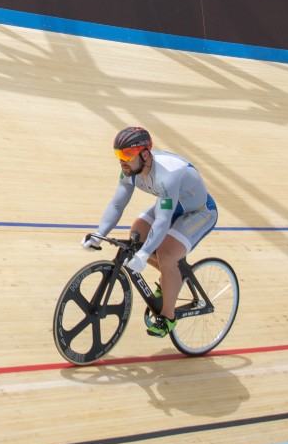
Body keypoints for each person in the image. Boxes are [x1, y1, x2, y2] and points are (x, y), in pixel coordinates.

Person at [84, 126, 219, 337]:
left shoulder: (167, 177)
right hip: (173, 203)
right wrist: (98, 234)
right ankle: (172, 277)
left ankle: (168, 317)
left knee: (166, 255)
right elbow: (117, 205)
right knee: (136, 234)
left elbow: (164, 220)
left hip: (200, 211)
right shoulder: (130, 171)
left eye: (127, 154)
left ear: (145, 154)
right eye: (118, 154)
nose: (122, 160)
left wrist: (146, 254)